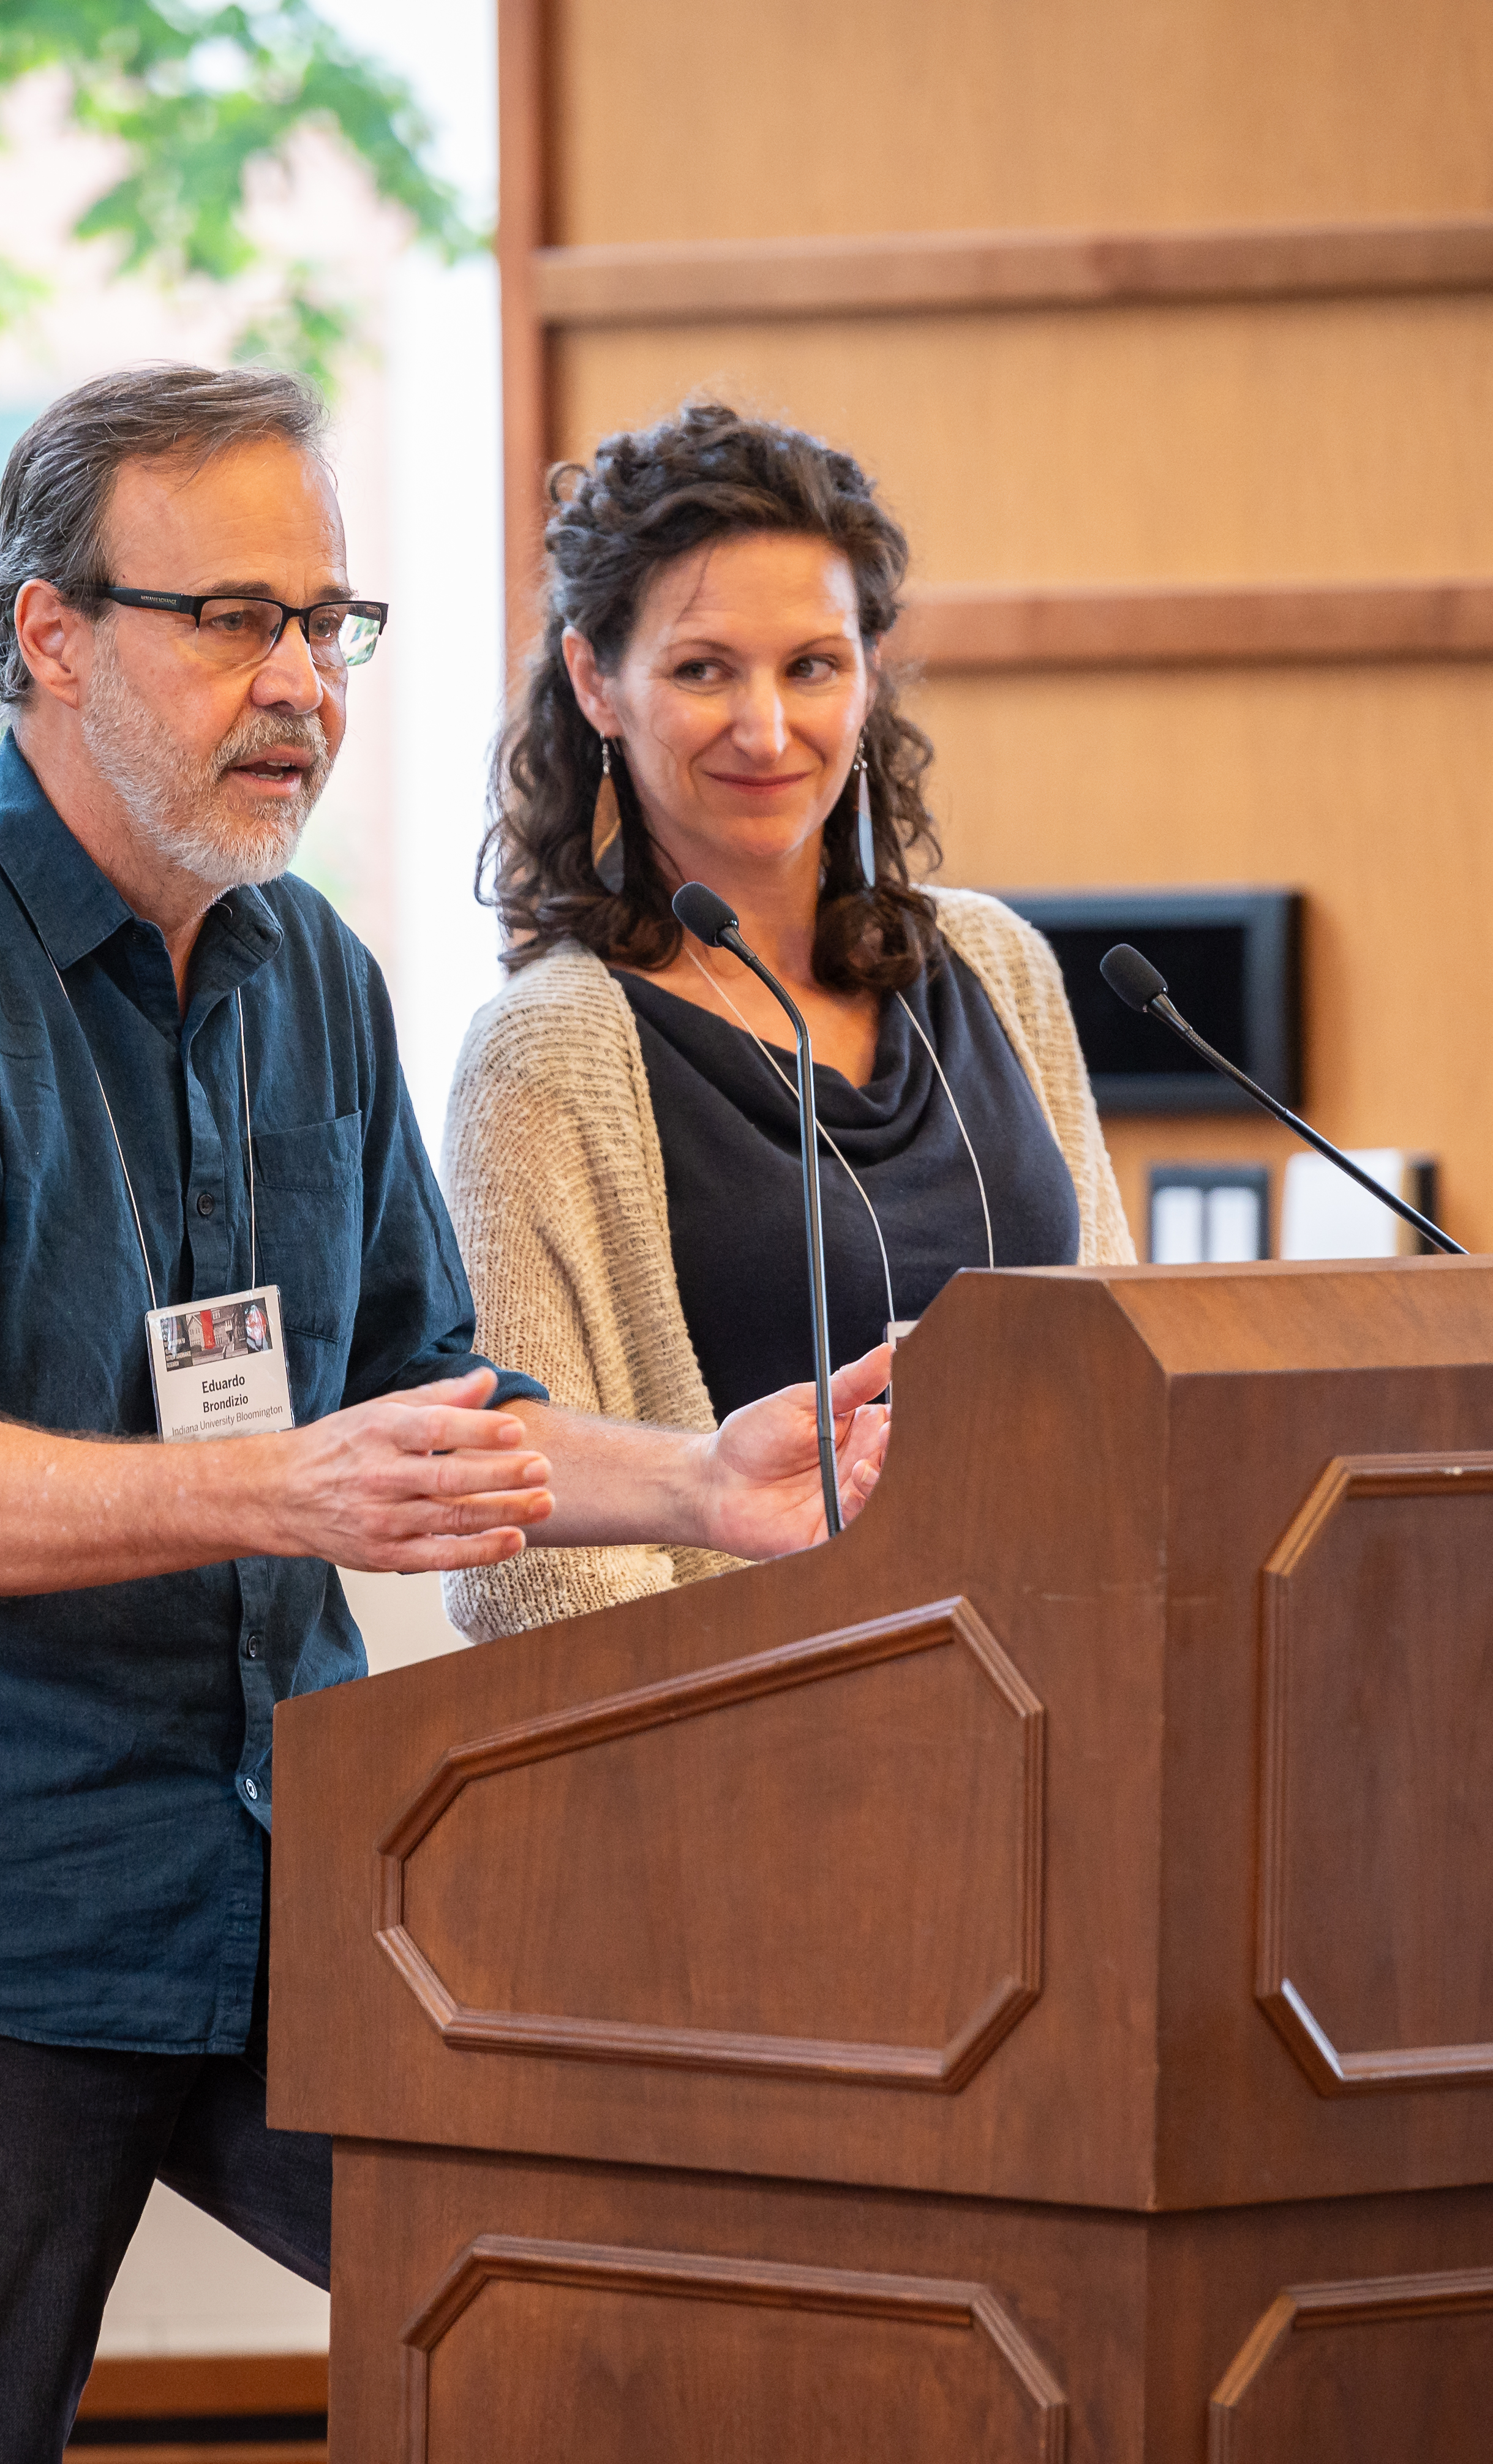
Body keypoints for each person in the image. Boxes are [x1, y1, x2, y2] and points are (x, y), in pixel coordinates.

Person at [0, 364, 891, 2464]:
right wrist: (277, 1484)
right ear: (49, 636)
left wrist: (697, 1478)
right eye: (231, 618)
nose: (300, 685)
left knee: (574, 2310)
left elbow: (425, 1395)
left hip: (283, 1875)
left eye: (326, 623)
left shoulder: (304, 971)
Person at [444, 399, 1132, 1646]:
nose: (767, 728)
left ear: (868, 672)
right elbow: (519, 1546)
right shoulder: (546, 1055)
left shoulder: (1000, 965)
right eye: (703, 667)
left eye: (812, 664)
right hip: (754, 1771)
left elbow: (1131, 1376)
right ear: (597, 679)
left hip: (1062, 1696)